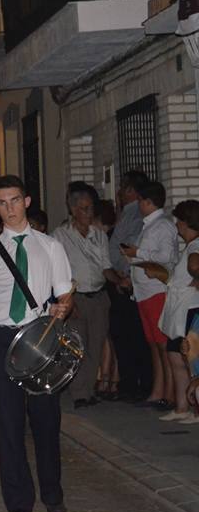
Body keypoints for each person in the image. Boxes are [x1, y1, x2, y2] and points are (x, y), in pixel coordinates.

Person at [0, 175, 73, 512]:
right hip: (1, 339)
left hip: (40, 338)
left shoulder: (50, 246)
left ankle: (52, 492)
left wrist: (63, 308)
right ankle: (19, 503)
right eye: (2, 203)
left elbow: (66, 291)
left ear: (27, 201)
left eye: (14, 200)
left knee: (46, 420)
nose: (9, 208)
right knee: (7, 426)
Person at [52, 183, 119, 409]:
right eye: (82, 209)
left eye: (90, 208)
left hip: (98, 297)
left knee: (96, 345)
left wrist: (120, 280)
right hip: (75, 297)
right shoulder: (59, 236)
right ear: (72, 210)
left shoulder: (99, 235)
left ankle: (88, 390)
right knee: (76, 347)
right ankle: (79, 392)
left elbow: (105, 267)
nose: (87, 213)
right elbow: (57, 271)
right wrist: (66, 300)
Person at [120, 180, 178, 410]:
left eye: (140, 202)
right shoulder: (150, 225)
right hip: (144, 292)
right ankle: (158, 391)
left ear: (147, 202)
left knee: (163, 346)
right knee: (154, 345)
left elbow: (167, 257)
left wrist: (138, 252)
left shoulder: (163, 224)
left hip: (156, 291)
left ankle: (171, 394)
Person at [107, 170, 152, 400]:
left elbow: (129, 247)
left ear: (132, 191)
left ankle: (139, 385)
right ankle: (129, 384)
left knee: (133, 337)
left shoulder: (137, 216)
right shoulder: (126, 213)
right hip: (120, 279)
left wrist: (124, 275)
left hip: (129, 282)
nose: (120, 193)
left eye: (123, 188)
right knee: (122, 335)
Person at [156, 200, 199, 423]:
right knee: (175, 357)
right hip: (180, 309)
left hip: (189, 310)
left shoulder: (195, 245)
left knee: (188, 359)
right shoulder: (191, 246)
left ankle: (195, 409)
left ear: (184, 222)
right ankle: (182, 406)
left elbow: (194, 267)